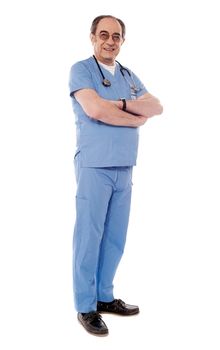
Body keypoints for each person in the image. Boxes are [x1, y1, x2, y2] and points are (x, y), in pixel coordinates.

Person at [69, 15, 163, 336]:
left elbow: (156, 107)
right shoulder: (81, 70)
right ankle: (85, 305)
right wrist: (134, 117)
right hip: (95, 166)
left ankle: (104, 297)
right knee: (88, 237)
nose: (110, 41)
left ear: (122, 41)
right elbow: (95, 110)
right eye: (104, 35)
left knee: (114, 238)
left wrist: (121, 103)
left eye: (117, 36)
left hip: (125, 167)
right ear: (93, 37)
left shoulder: (128, 75)